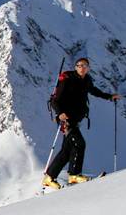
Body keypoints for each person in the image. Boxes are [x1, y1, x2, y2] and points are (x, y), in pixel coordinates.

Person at [42, 57, 121, 189]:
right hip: (66, 119)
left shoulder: (87, 80)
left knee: (67, 151)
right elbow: (55, 101)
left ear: (88, 68)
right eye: (79, 65)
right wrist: (60, 113)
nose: (82, 68)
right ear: (75, 67)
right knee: (79, 143)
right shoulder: (68, 79)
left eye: (85, 65)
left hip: (76, 119)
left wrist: (109, 96)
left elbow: (94, 91)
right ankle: (74, 175)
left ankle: (49, 178)